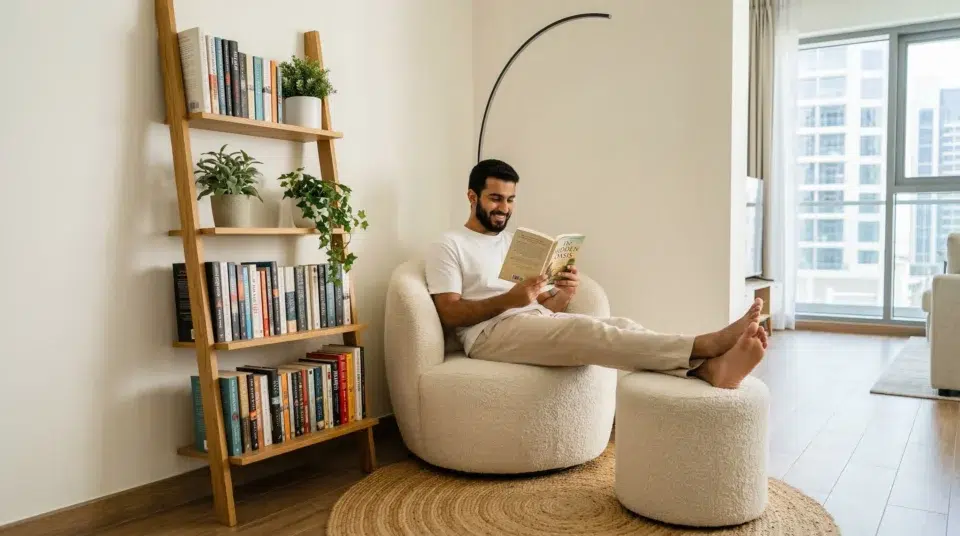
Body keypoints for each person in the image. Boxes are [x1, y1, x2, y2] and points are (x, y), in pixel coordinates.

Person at [424, 158, 767, 389]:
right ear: (472, 196)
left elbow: (546, 306)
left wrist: (563, 294)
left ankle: (708, 370)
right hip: (487, 335)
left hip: (533, 321)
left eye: (511, 200)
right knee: (587, 329)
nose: (504, 209)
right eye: (496, 199)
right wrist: (508, 301)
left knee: (621, 326)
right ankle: (706, 344)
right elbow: (450, 312)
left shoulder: (514, 243)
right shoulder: (449, 244)